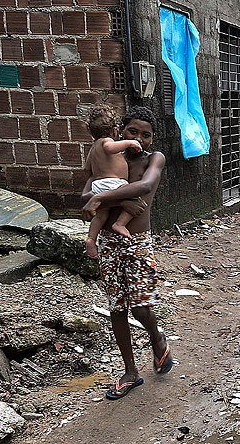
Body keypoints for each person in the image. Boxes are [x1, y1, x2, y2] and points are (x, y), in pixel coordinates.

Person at [80, 106, 170, 400]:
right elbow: (84, 196)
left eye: (146, 135)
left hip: (137, 241)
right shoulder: (107, 157)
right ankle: (130, 372)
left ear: (152, 139)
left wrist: (104, 198)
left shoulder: (153, 159)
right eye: (133, 131)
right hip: (108, 241)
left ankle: (157, 340)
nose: (139, 139)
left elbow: (144, 186)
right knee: (117, 308)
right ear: (120, 131)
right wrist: (121, 202)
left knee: (141, 306)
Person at [83, 105, 143, 258]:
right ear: (115, 130)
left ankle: (91, 239)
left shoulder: (93, 147)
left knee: (101, 215)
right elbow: (110, 148)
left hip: (98, 184)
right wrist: (130, 143)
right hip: (113, 183)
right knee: (134, 198)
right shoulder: (106, 142)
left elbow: (86, 168)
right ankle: (120, 224)